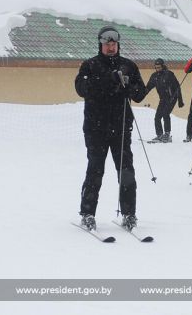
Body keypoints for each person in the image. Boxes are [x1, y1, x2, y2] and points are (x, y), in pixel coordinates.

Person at [74, 26, 147, 232]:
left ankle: (129, 214)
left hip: (121, 126)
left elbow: (140, 93)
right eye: (107, 44)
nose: (111, 47)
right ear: (100, 44)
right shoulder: (89, 65)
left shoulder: (128, 66)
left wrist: (128, 86)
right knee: (95, 170)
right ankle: (87, 214)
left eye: (114, 43)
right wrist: (109, 79)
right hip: (96, 128)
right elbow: (82, 89)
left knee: (126, 172)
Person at [145, 58, 184, 143]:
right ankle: (159, 135)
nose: (158, 69)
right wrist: (140, 94)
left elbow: (177, 87)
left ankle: (167, 135)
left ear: (163, 66)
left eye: (159, 67)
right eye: (156, 67)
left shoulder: (169, 74)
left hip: (172, 98)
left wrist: (180, 100)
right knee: (157, 117)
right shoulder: (154, 76)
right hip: (163, 99)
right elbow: (147, 88)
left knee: (165, 114)